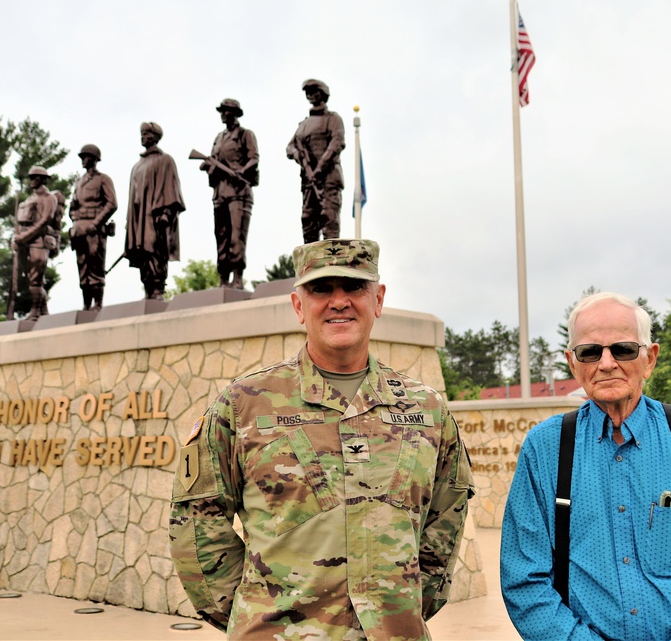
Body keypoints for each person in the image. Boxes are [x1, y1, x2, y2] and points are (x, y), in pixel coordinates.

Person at [170, 238, 475, 640]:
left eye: (354, 287)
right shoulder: (244, 405)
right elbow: (196, 524)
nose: (339, 301)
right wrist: (259, 615)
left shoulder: (427, 410)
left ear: (378, 300)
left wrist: (399, 608)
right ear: (299, 305)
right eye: (321, 289)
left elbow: (446, 518)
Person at [501, 292, 671, 641]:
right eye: (590, 352)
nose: (607, 363)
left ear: (650, 358)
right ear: (572, 363)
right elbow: (524, 581)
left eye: (623, 349)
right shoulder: (545, 449)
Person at [199, 98, 259, 290]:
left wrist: (241, 171)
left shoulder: (245, 134)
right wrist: (207, 165)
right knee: (221, 236)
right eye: (221, 111)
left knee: (236, 236)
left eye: (226, 111)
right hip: (220, 193)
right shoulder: (219, 138)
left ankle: (237, 277)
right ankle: (223, 278)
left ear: (234, 113)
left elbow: (254, 159)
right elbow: (212, 161)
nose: (223, 114)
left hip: (239, 193)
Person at [125, 122, 185, 300]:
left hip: (156, 216)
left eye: (146, 133)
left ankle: (158, 289)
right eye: (141, 134)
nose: (142, 137)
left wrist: (166, 212)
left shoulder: (164, 159)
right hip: (139, 218)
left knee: (155, 249)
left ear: (155, 136)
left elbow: (171, 186)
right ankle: (147, 289)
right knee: (142, 250)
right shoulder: (137, 165)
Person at [286, 79, 345, 243]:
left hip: (328, 178)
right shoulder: (303, 124)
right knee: (308, 219)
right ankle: (310, 265)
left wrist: (319, 169)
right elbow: (290, 147)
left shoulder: (332, 118)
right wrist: (297, 155)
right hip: (308, 180)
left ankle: (330, 264)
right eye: (308, 92)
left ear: (323, 94)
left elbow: (336, 144)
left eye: (314, 91)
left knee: (329, 218)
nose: (311, 95)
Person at [69, 144, 117, 310]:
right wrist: (75, 218)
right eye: (81, 157)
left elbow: (112, 204)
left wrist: (96, 223)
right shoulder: (79, 182)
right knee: (82, 266)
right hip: (79, 229)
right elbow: (72, 206)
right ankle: (86, 304)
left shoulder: (103, 179)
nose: (83, 160)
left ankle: (98, 304)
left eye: (86, 156)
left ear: (95, 159)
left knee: (95, 266)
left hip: (94, 230)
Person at [12, 166, 62, 320]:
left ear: (43, 179)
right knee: (31, 278)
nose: (32, 180)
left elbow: (44, 221)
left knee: (36, 277)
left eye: (36, 177)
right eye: (31, 177)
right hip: (25, 241)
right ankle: (43, 311)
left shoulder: (49, 198)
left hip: (39, 240)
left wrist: (24, 236)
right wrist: (16, 238)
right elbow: (21, 222)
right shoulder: (29, 200)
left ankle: (35, 312)